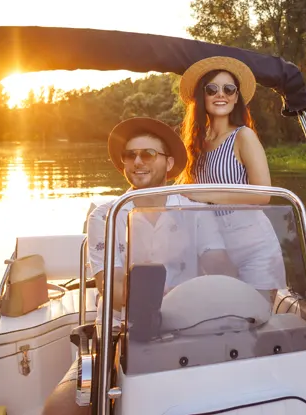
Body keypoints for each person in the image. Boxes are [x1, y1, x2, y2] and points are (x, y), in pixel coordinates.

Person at [42, 117, 235, 415]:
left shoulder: (193, 208)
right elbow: (113, 288)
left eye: (147, 154)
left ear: (169, 163)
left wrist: (226, 290)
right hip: (119, 329)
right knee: (60, 409)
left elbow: (219, 265)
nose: (137, 161)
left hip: (189, 323)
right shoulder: (106, 215)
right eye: (130, 155)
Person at [176, 56, 287, 300]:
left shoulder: (243, 136)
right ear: (202, 96)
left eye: (229, 89)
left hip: (253, 245)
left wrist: (205, 194)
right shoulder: (196, 144)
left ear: (236, 97)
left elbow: (263, 195)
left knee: (253, 317)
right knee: (223, 315)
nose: (221, 94)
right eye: (212, 89)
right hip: (213, 247)